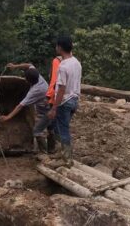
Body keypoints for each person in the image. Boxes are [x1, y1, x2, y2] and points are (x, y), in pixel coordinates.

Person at [0, 63, 52, 153]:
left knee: (37, 130)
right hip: (43, 106)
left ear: (29, 81)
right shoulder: (36, 75)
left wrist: (8, 117)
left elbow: (20, 106)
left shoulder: (35, 91)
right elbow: (29, 65)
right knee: (48, 129)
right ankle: (50, 149)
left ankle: (44, 153)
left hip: (48, 110)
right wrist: (15, 66)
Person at [47, 36, 82, 167]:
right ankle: (61, 152)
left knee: (63, 129)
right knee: (58, 126)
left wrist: (54, 107)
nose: (56, 48)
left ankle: (67, 159)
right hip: (74, 99)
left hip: (64, 101)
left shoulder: (63, 66)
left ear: (60, 48)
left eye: (57, 46)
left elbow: (61, 88)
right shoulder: (76, 62)